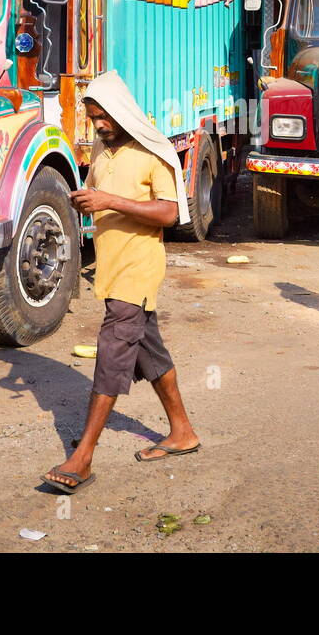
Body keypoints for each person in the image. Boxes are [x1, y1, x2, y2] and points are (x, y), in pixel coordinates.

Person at [41, 71, 200, 494]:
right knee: (150, 353)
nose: (99, 125)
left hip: (139, 269)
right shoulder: (102, 148)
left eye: (104, 118)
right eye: (93, 119)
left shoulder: (156, 153)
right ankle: (182, 431)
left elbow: (168, 213)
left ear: (121, 113)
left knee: (112, 354)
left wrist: (109, 201)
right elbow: (98, 190)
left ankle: (83, 456)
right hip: (112, 270)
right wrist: (87, 199)